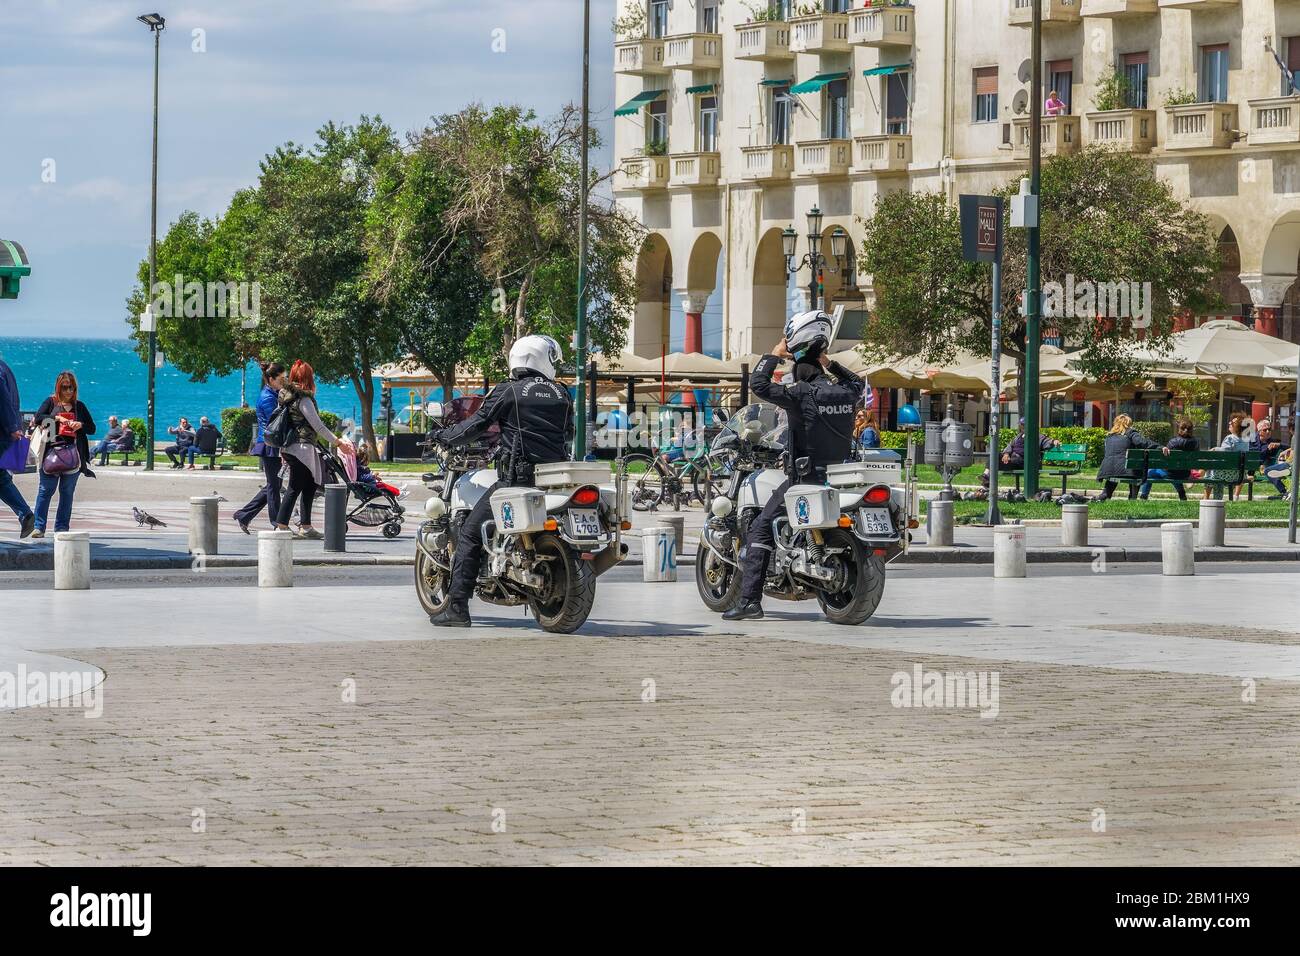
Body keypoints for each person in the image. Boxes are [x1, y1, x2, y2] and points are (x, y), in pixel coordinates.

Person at [725, 310, 864, 623]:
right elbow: (857, 382)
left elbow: (759, 386)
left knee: (760, 528)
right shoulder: (844, 391)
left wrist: (773, 355)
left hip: (806, 477)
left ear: (800, 373)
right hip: (840, 478)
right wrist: (830, 363)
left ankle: (750, 601)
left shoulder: (801, 394)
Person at [426, 334, 574, 628]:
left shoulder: (509, 390)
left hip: (516, 480)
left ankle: (456, 607)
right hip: (554, 480)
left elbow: (477, 424)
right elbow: (567, 433)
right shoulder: (562, 394)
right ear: (542, 359)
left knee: (470, 532)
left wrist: (443, 436)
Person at [273, 360, 352, 539]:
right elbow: (319, 426)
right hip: (301, 447)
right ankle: (282, 526)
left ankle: (305, 526)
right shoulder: (303, 398)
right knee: (295, 485)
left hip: (289, 446)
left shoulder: (284, 396)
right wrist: (339, 443)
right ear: (308, 378)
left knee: (310, 484)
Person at [31, 370, 96, 537]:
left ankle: (61, 528)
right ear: (58, 387)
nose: (69, 391)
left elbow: (92, 428)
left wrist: (80, 424)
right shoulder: (51, 402)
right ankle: (39, 527)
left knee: (67, 493)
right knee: (45, 490)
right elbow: (39, 418)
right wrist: (58, 419)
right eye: (65, 387)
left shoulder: (79, 406)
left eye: (72, 388)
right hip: (50, 453)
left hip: (73, 455)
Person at [234, 361, 287, 533]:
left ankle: (244, 515)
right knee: (273, 486)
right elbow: (278, 421)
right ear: (271, 379)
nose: (284, 381)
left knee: (274, 484)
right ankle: (276, 522)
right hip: (268, 444)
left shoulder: (274, 393)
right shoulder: (267, 398)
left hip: (271, 443)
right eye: (281, 378)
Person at [0, 351, 35, 538]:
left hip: (3, 431)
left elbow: (3, 400)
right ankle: (25, 514)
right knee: (1, 479)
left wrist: (11, 426)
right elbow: (12, 400)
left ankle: (25, 513)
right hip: (6, 432)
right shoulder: (6, 368)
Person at [1095, 414, 1167, 501]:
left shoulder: (1109, 436)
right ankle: (1132, 498)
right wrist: (1159, 447)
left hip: (1108, 470)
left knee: (1116, 471)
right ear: (1128, 423)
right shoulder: (1131, 432)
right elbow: (1142, 442)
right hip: (1127, 470)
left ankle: (1104, 495)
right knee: (1134, 470)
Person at [981, 418, 1059, 488]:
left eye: (1024, 425)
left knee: (999, 460)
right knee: (994, 455)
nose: (1022, 427)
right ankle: (986, 476)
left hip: (1025, 463)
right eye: (1021, 425)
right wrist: (1006, 454)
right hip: (1013, 461)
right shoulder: (1019, 436)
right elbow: (1010, 446)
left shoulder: (1037, 436)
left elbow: (1047, 441)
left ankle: (987, 480)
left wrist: (1054, 441)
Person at [1138, 418, 1198, 500]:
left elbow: (1165, 459)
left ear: (1180, 429)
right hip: (1185, 474)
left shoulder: (1173, 442)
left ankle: (1144, 496)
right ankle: (1182, 494)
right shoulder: (1196, 443)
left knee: (1149, 473)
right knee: (1176, 472)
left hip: (1170, 473)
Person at [1205, 413, 1250, 499]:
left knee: (1210, 472)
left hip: (1224, 474)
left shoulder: (1230, 438)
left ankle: (1208, 499)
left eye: (1231, 423)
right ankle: (1217, 500)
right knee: (1216, 471)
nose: (1229, 423)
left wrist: (1215, 449)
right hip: (1239, 475)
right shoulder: (1246, 441)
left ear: (1237, 428)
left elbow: (1224, 454)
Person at [1250, 418, 1288, 498]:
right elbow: (1254, 455)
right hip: (1251, 466)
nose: (1268, 431)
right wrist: (1267, 450)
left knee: (1270, 470)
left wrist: (1279, 445)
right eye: (1265, 430)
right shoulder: (1251, 441)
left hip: (1267, 467)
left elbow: (1291, 447)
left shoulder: (1273, 442)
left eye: (1269, 429)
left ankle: (1285, 492)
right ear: (1259, 431)